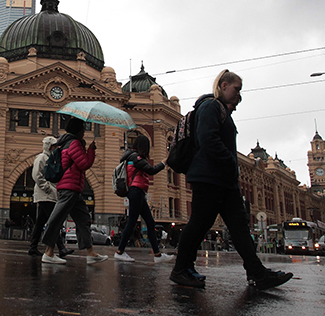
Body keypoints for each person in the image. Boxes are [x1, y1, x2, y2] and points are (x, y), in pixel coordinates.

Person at [169, 69, 293, 290]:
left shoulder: (221, 111)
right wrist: (230, 162)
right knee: (199, 224)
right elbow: (208, 140)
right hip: (210, 177)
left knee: (238, 227)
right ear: (224, 85)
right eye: (236, 89)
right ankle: (181, 269)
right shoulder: (210, 106)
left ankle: (256, 272)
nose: (239, 95)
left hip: (223, 180)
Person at [40, 118, 108, 265]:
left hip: (74, 188)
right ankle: (48, 252)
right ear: (78, 130)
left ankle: (90, 252)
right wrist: (91, 150)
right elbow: (84, 163)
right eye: (83, 128)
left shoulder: (67, 142)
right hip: (69, 187)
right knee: (57, 218)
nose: (84, 131)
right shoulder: (74, 143)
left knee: (83, 220)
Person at [114, 135, 173, 263]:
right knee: (132, 222)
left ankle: (157, 255)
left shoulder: (131, 157)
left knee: (150, 223)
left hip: (138, 192)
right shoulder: (136, 158)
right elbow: (151, 170)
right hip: (136, 191)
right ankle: (119, 251)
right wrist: (164, 162)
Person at [28, 136, 74, 258]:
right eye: (53, 146)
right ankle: (61, 247)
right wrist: (46, 187)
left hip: (48, 194)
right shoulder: (42, 158)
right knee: (53, 221)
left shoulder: (50, 158)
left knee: (40, 222)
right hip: (44, 194)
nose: (55, 148)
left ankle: (33, 247)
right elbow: (36, 175)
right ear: (48, 146)